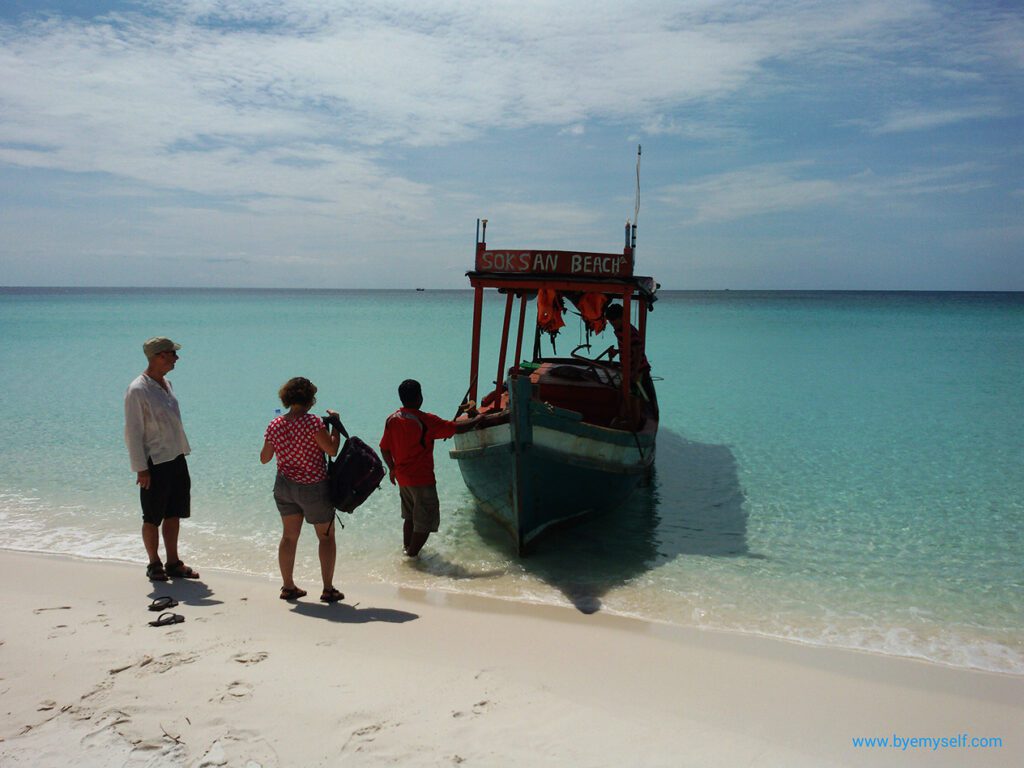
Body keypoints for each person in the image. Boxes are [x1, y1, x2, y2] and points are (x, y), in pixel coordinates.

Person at [261, 377, 344, 603]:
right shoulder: (313, 423)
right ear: (310, 399)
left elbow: (264, 458)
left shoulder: (275, 424)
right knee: (326, 538)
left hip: (284, 486)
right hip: (313, 486)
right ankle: (328, 589)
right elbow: (332, 450)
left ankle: (288, 586)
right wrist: (335, 426)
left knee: (289, 537)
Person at [124, 337, 200, 582]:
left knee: (174, 512)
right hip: (154, 462)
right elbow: (133, 432)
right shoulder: (138, 389)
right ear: (158, 356)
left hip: (176, 456)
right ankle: (154, 563)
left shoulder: (167, 383)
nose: (176, 358)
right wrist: (140, 469)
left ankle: (173, 562)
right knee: (152, 516)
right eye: (171, 354)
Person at [379, 379, 477, 557]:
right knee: (425, 522)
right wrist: (478, 419)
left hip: (403, 478)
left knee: (409, 517)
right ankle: (411, 556)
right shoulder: (426, 420)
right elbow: (456, 428)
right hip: (421, 480)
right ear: (419, 397)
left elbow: (384, 448)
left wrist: (392, 469)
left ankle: (406, 550)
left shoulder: (392, 419)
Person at [604, 302, 656, 407]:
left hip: (638, 369)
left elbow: (637, 351)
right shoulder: (619, 330)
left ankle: (633, 420)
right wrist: (617, 352)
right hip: (629, 368)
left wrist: (635, 372)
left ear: (622, 317)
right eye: (610, 321)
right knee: (625, 393)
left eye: (614, 320)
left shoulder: (629, 332)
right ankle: (623, 416)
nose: (612, 323)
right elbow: (629, 348)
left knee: (635, 397)